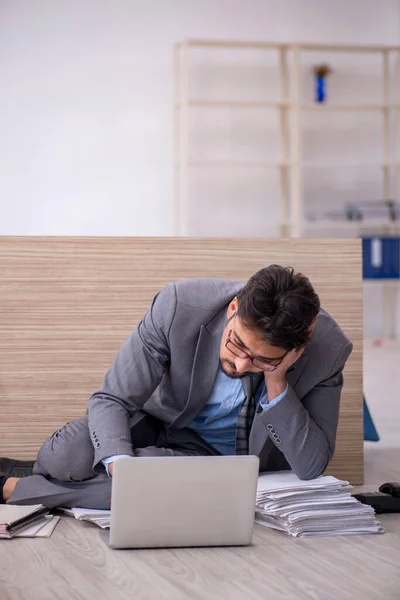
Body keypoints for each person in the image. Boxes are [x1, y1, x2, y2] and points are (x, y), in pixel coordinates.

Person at [0, 265, 352, 508]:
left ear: (298, 347)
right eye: (237, 345)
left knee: (157, 486)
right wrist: (122, 467)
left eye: (263, 359)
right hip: (156, 425)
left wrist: (276, 380)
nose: (242, 365)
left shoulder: (329, 350)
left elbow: (311, 466)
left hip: (217, 464)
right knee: (67, 456)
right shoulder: (180, 305)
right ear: (233, 308)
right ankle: (54, 473)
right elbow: (112, 398)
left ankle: (17, 487)